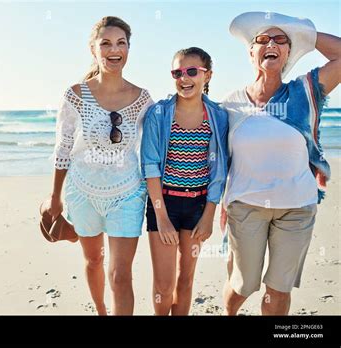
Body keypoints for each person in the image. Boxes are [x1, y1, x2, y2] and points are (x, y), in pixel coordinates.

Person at [220, 12, 340, 315]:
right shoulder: (229, 105)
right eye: (261, 39)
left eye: (280, 40)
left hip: (297, 208)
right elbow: (217, 158)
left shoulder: (304, 91)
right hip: (245, 206)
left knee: (278, 289)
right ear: (251, 52)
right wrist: (218, 203)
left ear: (288, 52)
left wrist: (304, 35)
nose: (270, 43)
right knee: (243, 285)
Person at [45, 16, 153, 315]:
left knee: (120, 274)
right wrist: (55, 198)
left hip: (127, 194)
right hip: (82, 192)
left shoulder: (142, 99)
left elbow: (151, 150)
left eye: (121, 43)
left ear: (129, 49)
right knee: (94, 260)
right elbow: (63, 148)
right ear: (93, 49)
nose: (113, 49)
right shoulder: (75, 95)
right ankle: (101, 310)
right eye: (105, 43)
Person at [141, 47, 228, 315]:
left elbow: (219, 172)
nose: (184, 78)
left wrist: (209, 215)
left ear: (208, 76)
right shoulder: (159, 114)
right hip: (164, 203)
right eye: (177, 72)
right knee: (163, 286)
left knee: (186, 279)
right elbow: (150, 166)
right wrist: (162, 216)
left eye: (192, 71)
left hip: (198, 206)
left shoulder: (218, 116)